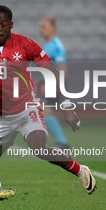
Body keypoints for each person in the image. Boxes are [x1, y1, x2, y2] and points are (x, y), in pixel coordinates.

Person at [0, 5, 97, 210]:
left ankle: (81, 171)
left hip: (27, 110)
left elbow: (52, 71)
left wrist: (67, 105)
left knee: (39, 147)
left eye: (3, 25)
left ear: (10, 25)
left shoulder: (25, 44)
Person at [39, 17, 70, 149]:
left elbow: (62, 67)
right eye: (41, 27)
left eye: (44, 26)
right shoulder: (48, 45)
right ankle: (61, 142)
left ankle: (62, 143)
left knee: (46, 113)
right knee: (45, 113)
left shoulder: (56, 46)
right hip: (48, 84)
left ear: (53, 28)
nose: (41, 30)